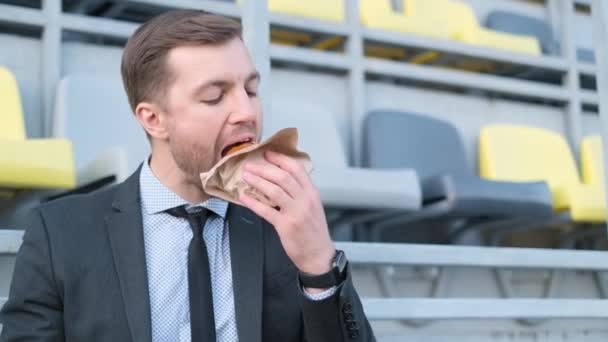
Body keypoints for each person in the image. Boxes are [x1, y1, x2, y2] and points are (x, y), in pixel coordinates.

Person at [0, 9, 375, 342]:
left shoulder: (286, 221)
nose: (246, 111)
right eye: (215, 97)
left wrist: (318, 265)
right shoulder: (60, 233)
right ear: (153, 119)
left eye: (251, 89)